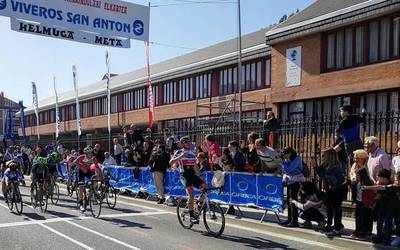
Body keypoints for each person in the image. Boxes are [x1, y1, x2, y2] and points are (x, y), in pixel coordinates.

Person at [170, 136, 206, 224]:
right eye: (186, 142)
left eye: (189, 141)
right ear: (182, 144)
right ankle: (191, 216)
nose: (188, 143)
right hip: (184, 176)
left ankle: (196, 204)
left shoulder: (192, 153)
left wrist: (200, 175)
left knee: (206, 190)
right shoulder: (178, 152)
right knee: (191, 194)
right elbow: (171, 162)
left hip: (192, 175)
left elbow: (195, 165)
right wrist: (181, 156)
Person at [316, 148, 346, 237]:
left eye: (323, 156)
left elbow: (322, 174)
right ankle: (329, 225)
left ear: (329, 156)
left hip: (339, 189)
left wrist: (315, 166)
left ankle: (337, 229)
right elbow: (321, 172)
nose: (322, 157)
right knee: (329, 207)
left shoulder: (335, 167)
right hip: (331, 188)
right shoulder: (326, 165)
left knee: (336, 208)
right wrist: (316, 164)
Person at [363, 169, 396, 245]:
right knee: (379, 222)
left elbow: (382, 188)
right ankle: (379, 236)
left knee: (388, 222)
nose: (377, 179)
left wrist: (367, 187)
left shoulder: (391, 185)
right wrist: (373, 202)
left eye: (379, 177)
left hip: (391, 206)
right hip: (382, 205)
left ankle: (387, 239)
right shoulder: (379, 184)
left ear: (384, 178)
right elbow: (378, 196)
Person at [349, 149, 374, 240]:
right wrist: (353, 179)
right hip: (358, 193)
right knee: (358, 214)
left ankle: (365, 231)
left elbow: (369, 179)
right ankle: (358, 230)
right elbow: (351, 174)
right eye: (354, 158)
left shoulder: (366, 166)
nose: (355, 160)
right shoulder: (355, 165)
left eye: (357, 158)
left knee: (366, 214)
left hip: (366, 194)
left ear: (362, 158)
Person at [281, 146, 305, 228]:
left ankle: (294, 221)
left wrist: (283, 162)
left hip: (296, 182)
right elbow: (284, 170)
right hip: (289, 181)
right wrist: (284, 162)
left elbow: (287, 170)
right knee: (288, 201)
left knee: (293, 201)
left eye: (285, 154)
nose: (284, 156)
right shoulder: (287, 159)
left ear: (290, 153)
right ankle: (289, 219)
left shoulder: (297, 159)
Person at [74, 146, 100, 212]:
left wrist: (97, 174)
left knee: (95, 180)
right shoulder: (81, 157)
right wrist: (80, 166)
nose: (89, 154)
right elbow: (74, 162)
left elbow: (97, 167)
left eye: (90, 153)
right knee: (81, 187)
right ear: (85, 153)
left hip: (88, 171)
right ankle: (81, 204)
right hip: (81, 171)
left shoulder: (93, 158)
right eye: (87, 153)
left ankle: (91, 191)